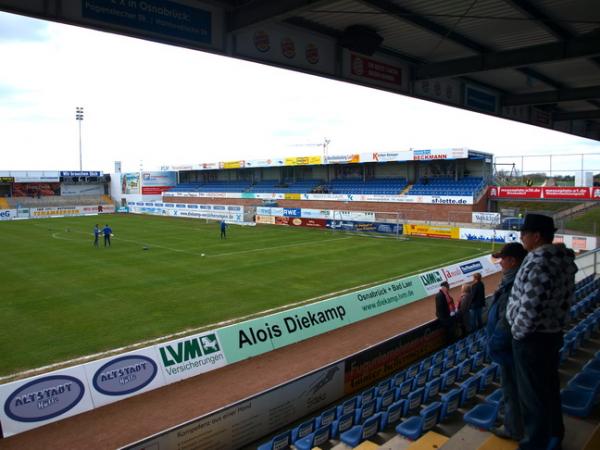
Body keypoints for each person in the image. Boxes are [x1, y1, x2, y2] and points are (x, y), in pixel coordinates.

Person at [506, 214, 577, 450]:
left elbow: (531, 307)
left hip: (532, 340)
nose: (521, 237)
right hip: (551, 334)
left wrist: (517, 332)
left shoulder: (540, 262)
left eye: (524, 233)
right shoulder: (563, 260)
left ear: (536, 236)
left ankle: (534, 444)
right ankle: (554, 435)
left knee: (532, 397)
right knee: (548, 388)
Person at [486, 242, 528, 442]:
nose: (500, 263)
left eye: (502, 259)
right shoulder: (516, 278)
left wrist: (494, 343)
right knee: (511, 388)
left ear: (512, 261)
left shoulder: (515, 282)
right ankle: (512, 421)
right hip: (513, 347)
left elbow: (507, 321)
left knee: (511, 388)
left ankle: (513, 428)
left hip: (510, 348)